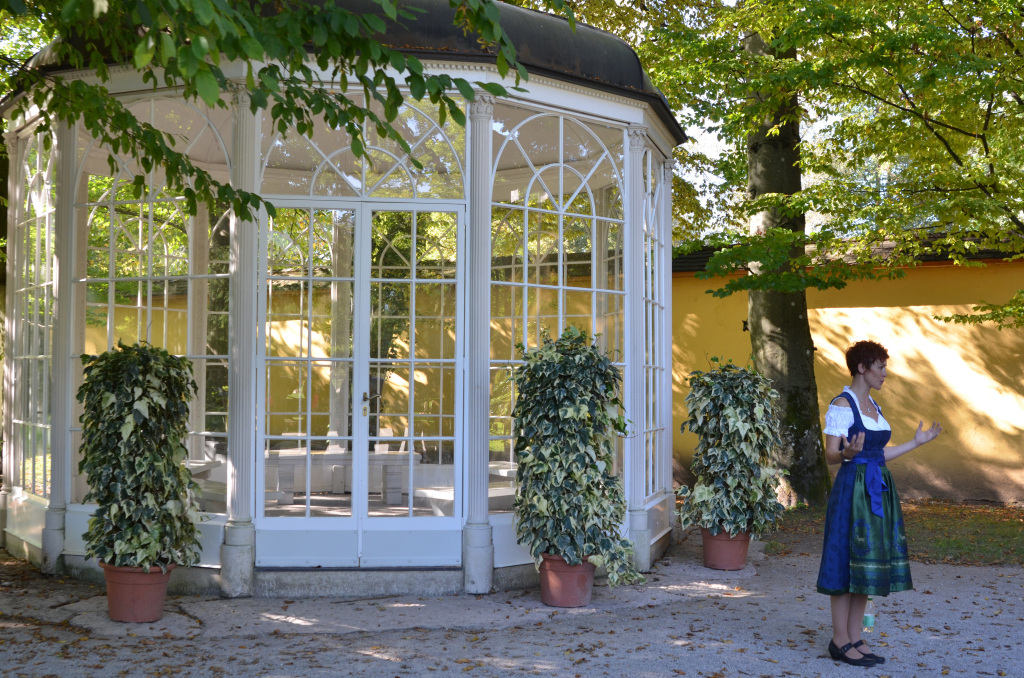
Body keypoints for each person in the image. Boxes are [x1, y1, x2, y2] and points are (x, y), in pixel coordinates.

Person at [816, 340, 942, 667]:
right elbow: (831, 455)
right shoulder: (843, 405)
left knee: (866, 560)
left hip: (877, 488)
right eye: (881, 366)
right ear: (862, 367)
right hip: (852, 490)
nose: (885, 373)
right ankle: (839, 640)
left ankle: (856, 636)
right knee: (846, 559)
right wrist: (846, 453)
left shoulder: (874, 407)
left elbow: (879, 454)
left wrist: (915, 443)